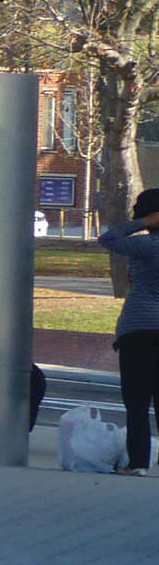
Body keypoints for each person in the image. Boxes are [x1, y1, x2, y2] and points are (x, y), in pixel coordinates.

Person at [101, 189, 159, 474]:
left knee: (137, 402)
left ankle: (138, 464)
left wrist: (143, 224)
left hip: (138, 331)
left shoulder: (147, 245)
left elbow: (108, 238)